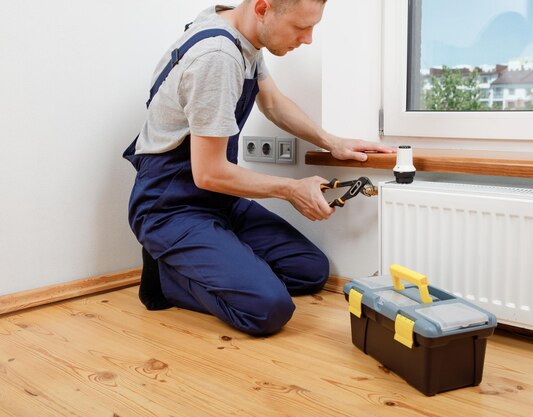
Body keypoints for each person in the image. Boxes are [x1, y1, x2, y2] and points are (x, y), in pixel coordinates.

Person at [123, 0, 394, 336]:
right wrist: (291, 190)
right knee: (268, 309)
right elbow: (208, 173)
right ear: (263, 8)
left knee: (310, 271)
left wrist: (332, 142)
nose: (308, 39)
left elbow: (273, 103)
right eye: (300, 27)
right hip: (171, 207)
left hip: (219, 201)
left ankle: (222, 260)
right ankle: (163, 280)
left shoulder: (242, 34)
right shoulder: (217, 57)